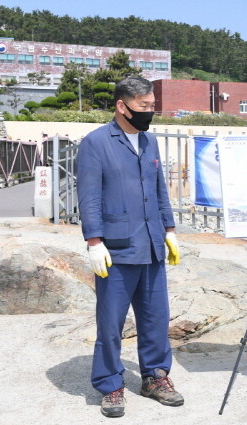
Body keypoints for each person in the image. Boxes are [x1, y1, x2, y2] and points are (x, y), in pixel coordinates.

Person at [76, 76, 183, 418]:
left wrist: (169, 229)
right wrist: (94, 241)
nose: (149, 112)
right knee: (111, 322)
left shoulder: (149, 142)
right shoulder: (96, 143)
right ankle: (110, 384)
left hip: (151, 244)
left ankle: (155, 377)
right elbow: (89, 196)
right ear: (122, 106)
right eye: (143, 106)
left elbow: (160, 189)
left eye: (152, 106)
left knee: (155, 318)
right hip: (117, 247)